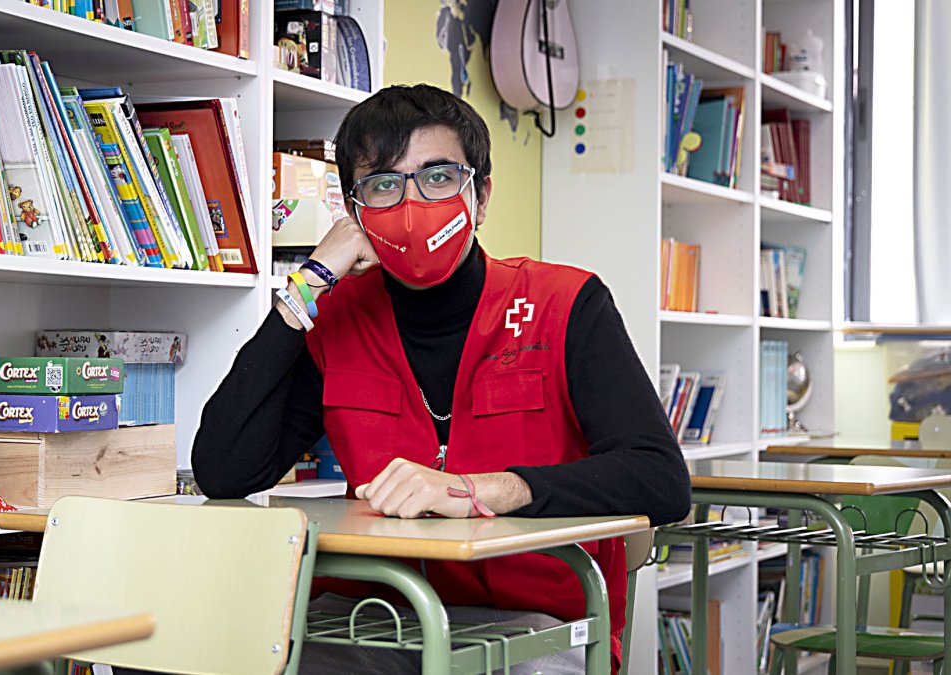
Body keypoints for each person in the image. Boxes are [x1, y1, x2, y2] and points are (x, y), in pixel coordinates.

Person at [192, 84, 691, 674]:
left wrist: (486, 490)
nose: (412, 204)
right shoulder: (334, 319)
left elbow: (661, 480)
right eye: (384, 184)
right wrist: (308, 285)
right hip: (370, 618)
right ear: (355, 214)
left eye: (437, 177)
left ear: (479, 196)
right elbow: (223, 472)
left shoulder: (565, 303)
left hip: (538, 622)